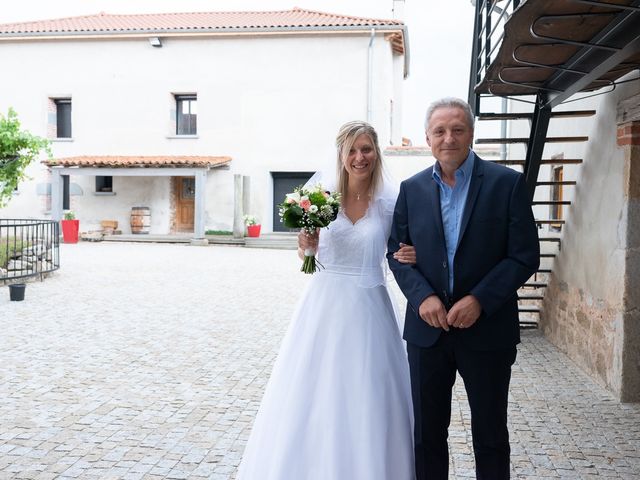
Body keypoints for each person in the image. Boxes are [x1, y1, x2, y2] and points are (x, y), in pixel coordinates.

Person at [237, 121, 417, 480]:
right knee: (312, 392)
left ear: (376, 152)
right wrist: (306, 245)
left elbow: (402, 246)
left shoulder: (391, 203)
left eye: (366, 149)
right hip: (323, 305)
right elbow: (305, 248)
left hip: (370, 307)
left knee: (369, 393)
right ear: (340, 155)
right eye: (351, 150)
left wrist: (412, 254)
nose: (359, 157)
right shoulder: (321, 198)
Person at [387, 97, 540, 479]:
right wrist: (422, 297)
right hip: (427, 333)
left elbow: (524, 256)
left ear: (471, 133)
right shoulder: (412, 189)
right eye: (440, 131)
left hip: (487, 331)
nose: (449, 138)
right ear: (427, 138)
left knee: (489, 435)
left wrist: (480, 300)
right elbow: (397, 253)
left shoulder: (507, 184)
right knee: (426, 435)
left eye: (457, 129)